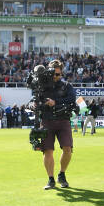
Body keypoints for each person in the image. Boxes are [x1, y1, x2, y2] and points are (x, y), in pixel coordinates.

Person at [38, 60, 76, 190]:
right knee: (47, 151)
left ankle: (62, 174)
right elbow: (36, 100)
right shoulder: (41, 85)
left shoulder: (67, 86)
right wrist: (37, 104)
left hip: (63, 120)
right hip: (47, 120)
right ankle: (50, 179)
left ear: (61, 73)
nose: (55, 76)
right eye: (53, 74)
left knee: (68, 149)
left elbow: (71, 100)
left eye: (58, 74)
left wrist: (56, 102)